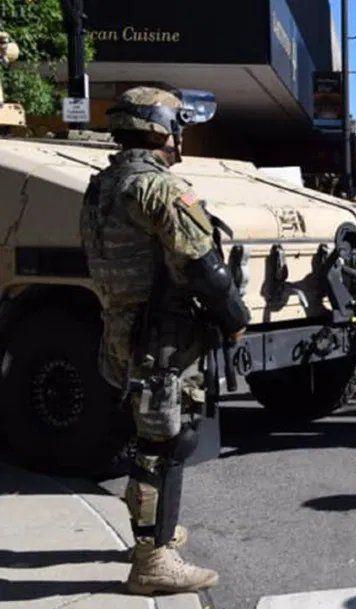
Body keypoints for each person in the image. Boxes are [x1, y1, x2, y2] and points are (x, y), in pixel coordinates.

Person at [80, 87, 250, 594]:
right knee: (166, 444)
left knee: (153, 435)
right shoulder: (160, 189)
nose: (181, 135)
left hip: (121, 330)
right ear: (157, 129)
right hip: (163, 340)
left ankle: (151, 523)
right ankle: (153, 560)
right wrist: (234, 318)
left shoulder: (103, 185)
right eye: (177, 123)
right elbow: (203, 266)